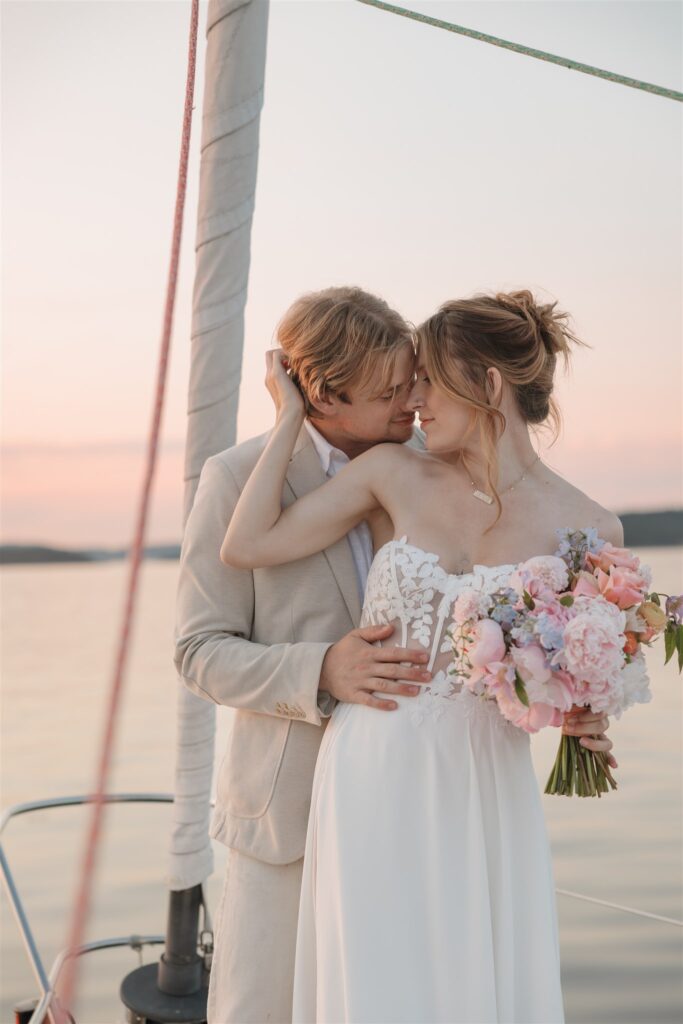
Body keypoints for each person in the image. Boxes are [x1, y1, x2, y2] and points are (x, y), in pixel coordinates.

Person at [220, 289, 620, 1024]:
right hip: (372, 765)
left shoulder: (589, 527)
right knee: (379, 977)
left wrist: (583, 719)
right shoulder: (391, 475)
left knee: (471, 974)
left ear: (489, 386)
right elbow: (246, 547)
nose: (414, 401)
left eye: (427, 380)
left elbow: (577, 675)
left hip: (484, 777)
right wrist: (286, 417)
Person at [174, 286, 445, 1024]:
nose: (411, 402)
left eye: (411, 381)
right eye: (391, 390)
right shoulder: (235, 479)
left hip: (410, 807)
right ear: (323, 392)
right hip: (287, 816)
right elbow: (200, 652)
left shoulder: (436, 468)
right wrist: (319, 669)